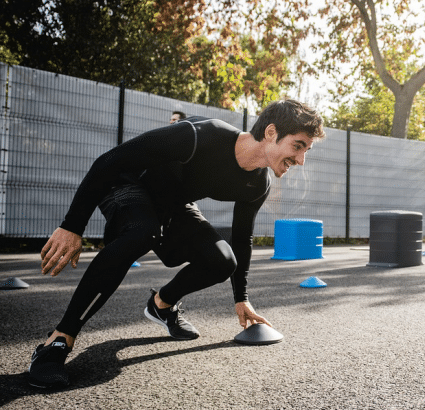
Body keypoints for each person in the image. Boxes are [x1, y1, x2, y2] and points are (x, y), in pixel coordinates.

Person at [28, 99, 325, 389]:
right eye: (298, 147)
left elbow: (241, 238)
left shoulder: (258, 184)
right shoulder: (199, 135)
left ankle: (161, 306)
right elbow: (110, 161)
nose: (301, 160)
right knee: (140, 233)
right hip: (128, 184)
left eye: (306, 151)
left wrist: (241, 297)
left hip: (172, 203)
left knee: (223, 260)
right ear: (271, 133)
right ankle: (58, 340)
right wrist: (72, 227)